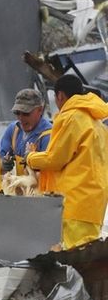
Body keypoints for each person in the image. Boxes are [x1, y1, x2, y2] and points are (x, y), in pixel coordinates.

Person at [27, 74, 108, 249]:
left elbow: (55, 159)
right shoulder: (97, 122)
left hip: (73, 203)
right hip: (94, 206)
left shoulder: (71, 117)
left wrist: (31, 158)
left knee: (70, 261)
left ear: (60, 96)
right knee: (88, 263)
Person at [0, 89, 52, 174]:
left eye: (26, 113)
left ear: (40, 110)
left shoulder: (48, 135)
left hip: (42, 186)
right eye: (17, 113)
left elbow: (50, 170)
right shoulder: (13, 130)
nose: (21, 118)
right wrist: (3, 164)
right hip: (21, 185)